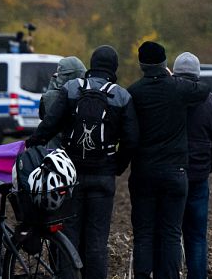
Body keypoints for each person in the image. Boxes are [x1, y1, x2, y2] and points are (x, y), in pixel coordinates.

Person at [29, 46, 138, 279]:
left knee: (69, 237)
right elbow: (131, 140)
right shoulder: (122, 96)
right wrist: (116, 166)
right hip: (103, 176)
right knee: (97, 240)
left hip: (71, 176)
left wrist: (32, 143)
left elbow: (50, 124)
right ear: (114, 68)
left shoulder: (71, 88)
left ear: (91, 64)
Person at [126, 41, 212, 279]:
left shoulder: (134, 92)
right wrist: (172, 77)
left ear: (141, 65)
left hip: (143, 173)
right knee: (171, 233)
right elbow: (204, 88)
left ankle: (143, 275)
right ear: (165, 63)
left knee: (144, 233)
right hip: (175, 172)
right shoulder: (177, 88)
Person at [173, 53, 212, 279]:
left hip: (171, 175)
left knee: (170, 234)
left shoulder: (166, 100)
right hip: (199, 177)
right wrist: (209, 165)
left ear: (175, 73)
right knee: (197, 236)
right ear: (198, 74)